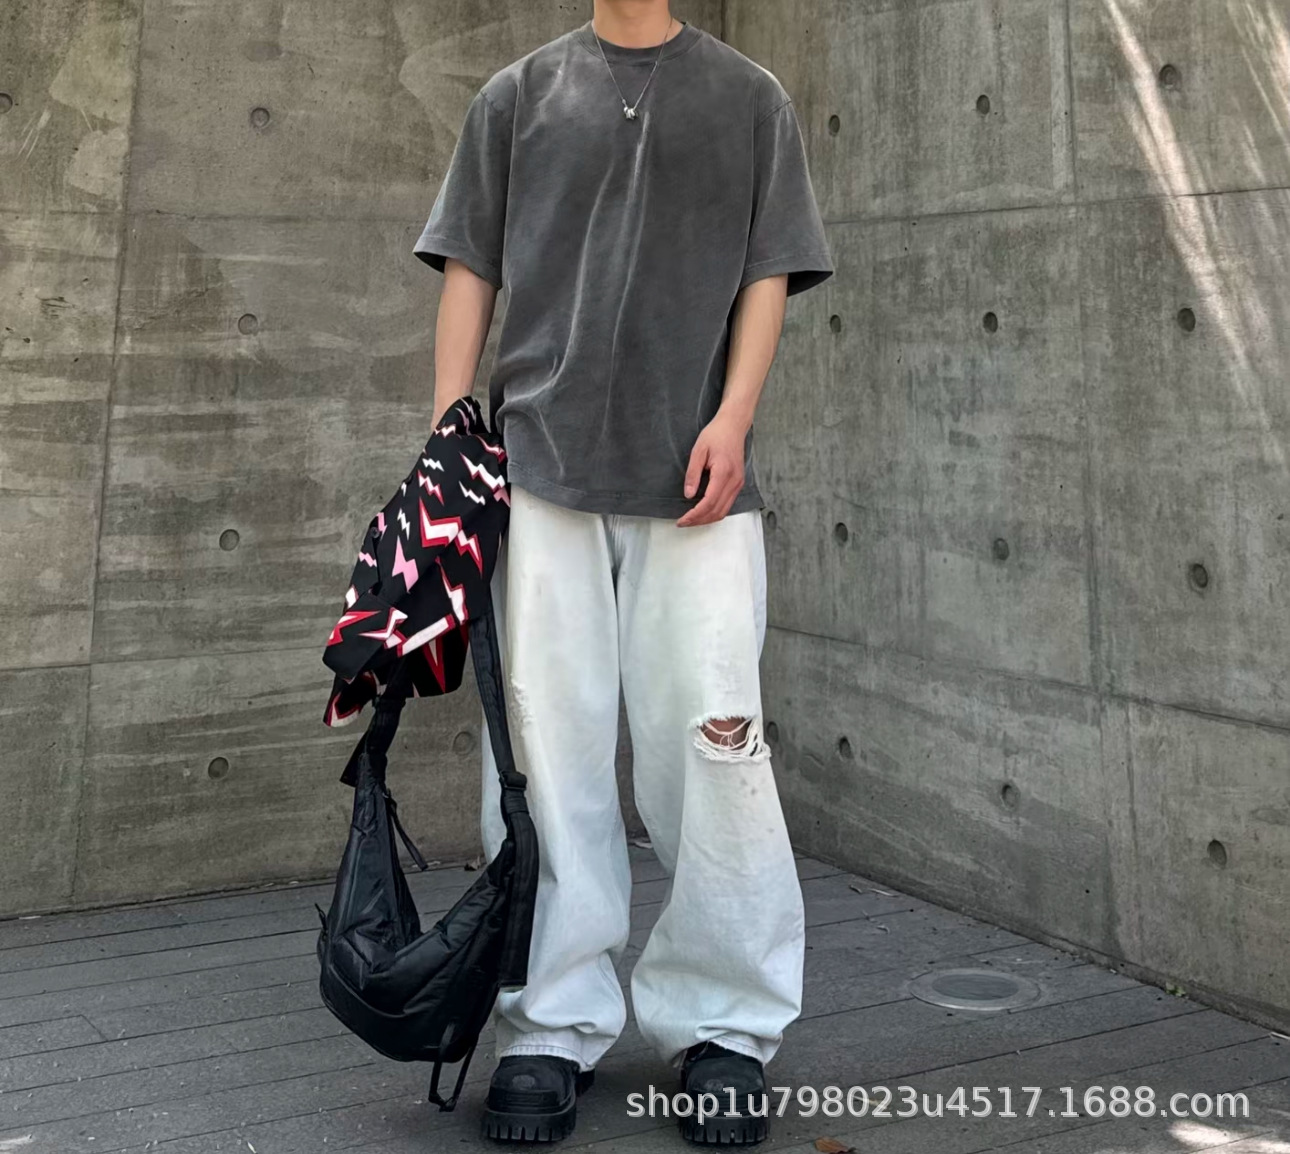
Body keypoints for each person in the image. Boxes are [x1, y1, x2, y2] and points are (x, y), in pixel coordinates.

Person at [412, 1, 833, 1144]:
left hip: (698, 476)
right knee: (545, 752)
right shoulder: (517, 94)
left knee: (717, 747)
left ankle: (724, 1022)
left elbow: (768, 269)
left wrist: (735, 416)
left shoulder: (749, 97)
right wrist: (452, 426)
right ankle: (549, 1020)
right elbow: (471, 264)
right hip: (537, 468)